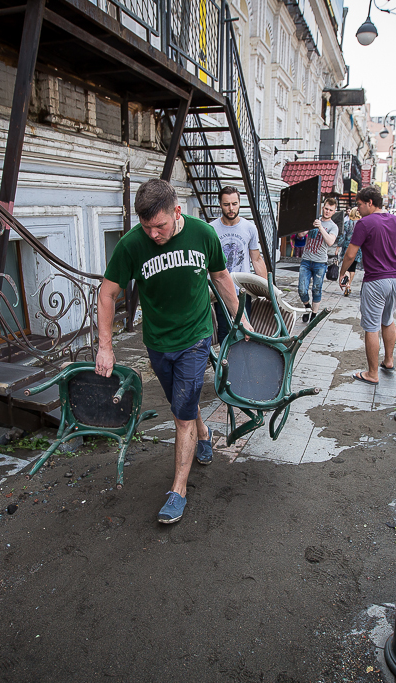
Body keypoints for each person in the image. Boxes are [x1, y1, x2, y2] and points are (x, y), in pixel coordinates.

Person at [96, 179, 249, 524]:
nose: (153, 234)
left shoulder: (202, 234)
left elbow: (222, 277)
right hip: (158, 343)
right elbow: (106, 294)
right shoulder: (132, 245)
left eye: (160, 226)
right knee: (182, 402)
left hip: (195, 338)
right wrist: (105, 347)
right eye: (146, 227)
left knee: (181, 414)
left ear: (176, 212)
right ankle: (205, 433)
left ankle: (178, 491)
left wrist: (242, 322)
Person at [338, 186, 396, 385]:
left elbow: (350, 254)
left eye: (360, 205)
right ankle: (389, 361)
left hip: (376, 280)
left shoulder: (364, 223)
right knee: (388, 319)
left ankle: (372, 374)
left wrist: (342, 273)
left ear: (370, 203)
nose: (359, 209)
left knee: (371, 327)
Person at [210, 186, 268, 342]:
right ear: (220, 204)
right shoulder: (211, 229)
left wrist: (266, 288)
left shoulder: (249, 228)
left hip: (243, 290)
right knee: (224, 331)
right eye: (226, 204)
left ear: (239, 203)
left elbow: (256, 259)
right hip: (221, 290)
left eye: (234, 204)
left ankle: (241, 365)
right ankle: (224, 366)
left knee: (244, 330)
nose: (231, 208)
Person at [298, 197, 339, 322]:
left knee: (316, 288)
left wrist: (321, 227)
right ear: (323, 207)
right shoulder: (314, 220)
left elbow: (330, 242)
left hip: (320, 262)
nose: (327, 212)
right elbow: (300, 235)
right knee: (301, 289)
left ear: (334, 211)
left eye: (330, 210)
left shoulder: (333, 226)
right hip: (306, 259)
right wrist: (309, 225)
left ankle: (313, 316)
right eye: (326, 208)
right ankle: (307, 307)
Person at [336, 207, 362, 296]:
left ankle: (345, 282)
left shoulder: (347, 223)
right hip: (358, 248)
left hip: (347, 246)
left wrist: (338, 247)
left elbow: (342, 237)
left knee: (346, 266)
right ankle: (349, 284)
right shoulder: (361, 224)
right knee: (353, 267)